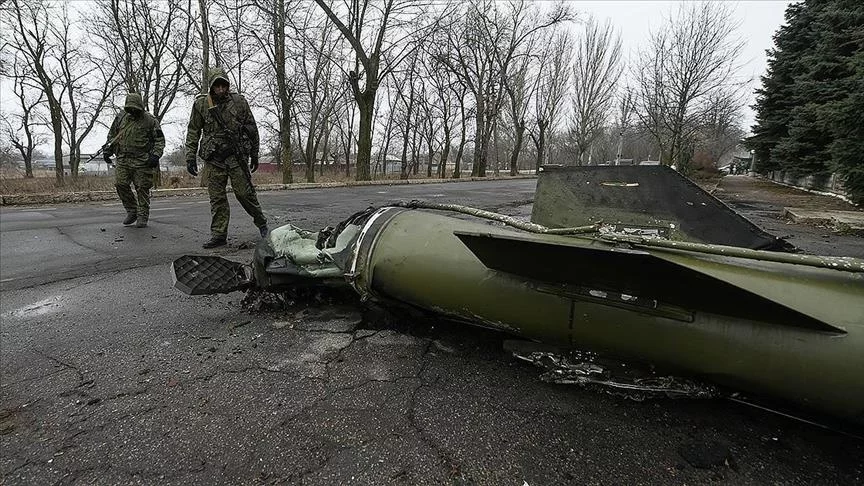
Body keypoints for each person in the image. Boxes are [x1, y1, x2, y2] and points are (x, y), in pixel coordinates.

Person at [185, 67, 268, 249]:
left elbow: (251, 128)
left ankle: (262, 223)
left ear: (228, 85)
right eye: (217, 86)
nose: (221, 90)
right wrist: (190, 156)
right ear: (211, 87)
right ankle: (219, 235)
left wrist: (254, 154)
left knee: (245, 194)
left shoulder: (239, 102)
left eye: (224, 85)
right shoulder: (201, 104)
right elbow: (193, 130)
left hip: (235, 156)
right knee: (217, 198)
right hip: (214, 158)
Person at [103, 92, 165, 228]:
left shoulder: (150, 120)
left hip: (142, 160)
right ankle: (132, 210)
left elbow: (159, 140)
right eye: (129, 108)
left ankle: (143, 215)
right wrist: (108, 150)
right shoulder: (121, 118)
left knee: (142, 188)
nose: (132, 111)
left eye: (135, 108)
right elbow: (113, 135)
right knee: (120, 184)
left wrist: (155, 155)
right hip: (123, 158)